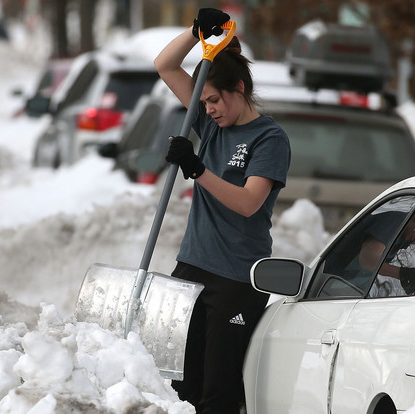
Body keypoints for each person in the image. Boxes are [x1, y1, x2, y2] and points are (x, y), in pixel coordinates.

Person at [153, 8, 291, 414]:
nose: (208, 109)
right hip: (191, 267)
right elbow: (165, 65)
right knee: (177, 385)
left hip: (235, 279)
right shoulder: (213, 125)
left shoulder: (270, 138)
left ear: (240, 88)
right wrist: (196, 34)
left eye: (214, 99)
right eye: (204, 101)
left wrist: (197, 169)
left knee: (217, 394)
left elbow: (249, 203)